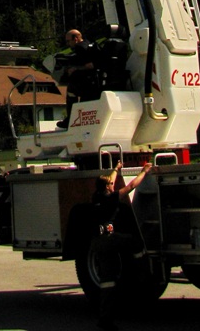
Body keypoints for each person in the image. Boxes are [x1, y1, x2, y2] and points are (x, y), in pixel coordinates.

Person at [91, 160, 152, 331]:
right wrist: (145, 171)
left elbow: (109, 179)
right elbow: (132, 185)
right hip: (109, 239)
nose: (112, 185)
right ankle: (142, 270)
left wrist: (116, 169)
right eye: (110, 184)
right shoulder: (111, 198)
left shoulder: (96, 196)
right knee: (135, 242)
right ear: (107, 188)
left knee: (107, 282)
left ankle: (105, 319)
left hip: (97, 242)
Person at [56, 28, 100, 128]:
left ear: (75, 39)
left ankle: (70, 118)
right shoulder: (90, 44)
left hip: (87, 83)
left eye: (68, 41)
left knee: (70, 90)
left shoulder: (80, 48)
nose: (68, 44)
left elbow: (82, 62)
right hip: (94, 81)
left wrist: (73, 68)